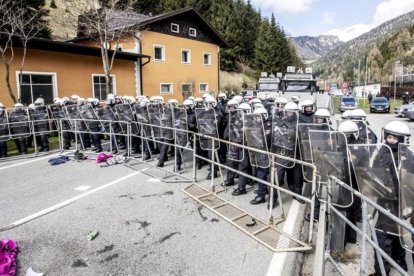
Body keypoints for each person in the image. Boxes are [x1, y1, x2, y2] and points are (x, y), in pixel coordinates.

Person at [369, 121, 410, 275]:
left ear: (402, 139)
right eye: (389, 136)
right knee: (395, 231)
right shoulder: (383, 151)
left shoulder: (406, 155)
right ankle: (400, 261)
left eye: (394, 138)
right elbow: (374, 170)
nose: (390, 140)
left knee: (382, 236)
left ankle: (381, 272)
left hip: (396, 201)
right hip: (384, 196)